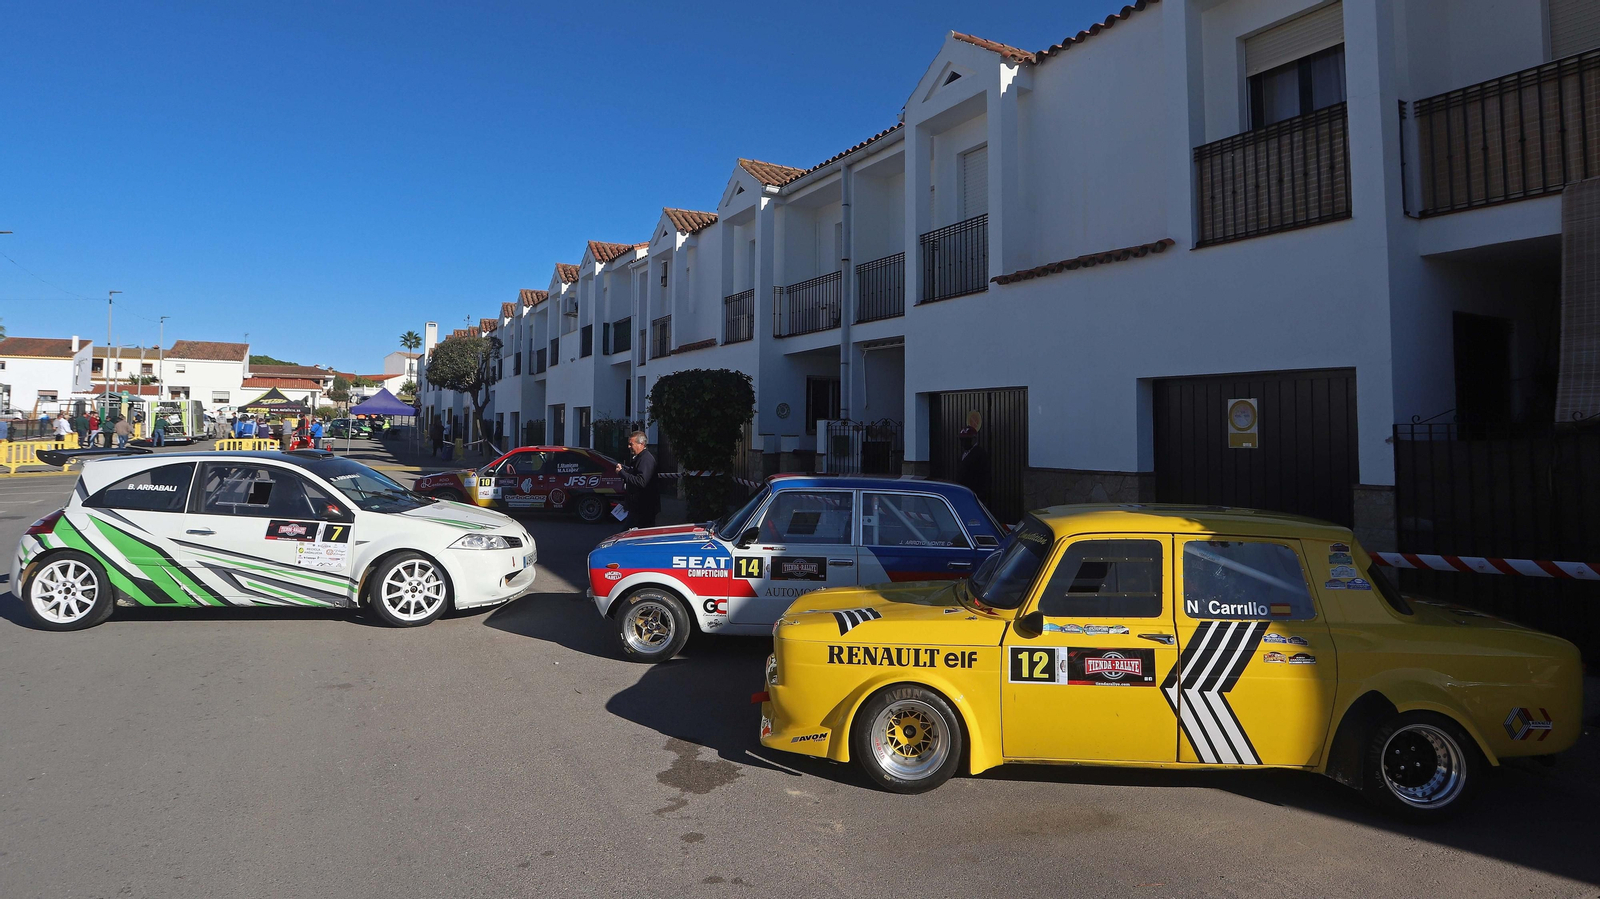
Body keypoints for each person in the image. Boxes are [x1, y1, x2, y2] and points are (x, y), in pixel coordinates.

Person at [615, 431, 659, 529]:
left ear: (641, 444)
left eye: (631, 444)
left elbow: (641, 481)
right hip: (637, 507)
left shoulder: (646, 459)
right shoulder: (639, 458)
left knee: (631, 534)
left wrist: (622, 473)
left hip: (644, 508)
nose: (629, 447)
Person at [955, 426, 990, 509]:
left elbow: (985, 475)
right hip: (963, 493)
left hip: (974, 494)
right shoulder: (964, 454)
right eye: (962, 440)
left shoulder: (980, 454)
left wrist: (981, 494)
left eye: (967, 440)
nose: (964, 443)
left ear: (973, 440)